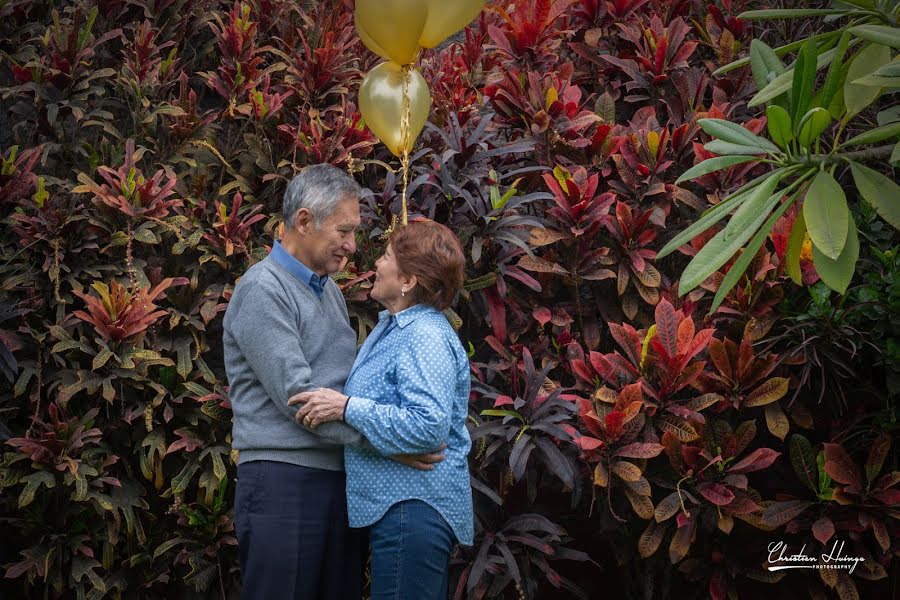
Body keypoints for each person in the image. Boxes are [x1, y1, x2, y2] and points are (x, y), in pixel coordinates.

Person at [223, 165, 443, 600]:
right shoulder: (264, 289)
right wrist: (392, 441)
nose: (352, 246)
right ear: (304, 221)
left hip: (337, 481)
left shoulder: (329, 293)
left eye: (355, 232)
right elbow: (302, 401)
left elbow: (344, 393)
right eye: (344, 231)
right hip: (283, 483)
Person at [291, 219, 474, 600]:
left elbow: (428, 426)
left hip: (414, 508)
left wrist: (345, 408)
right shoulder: (394, 327)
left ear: (408, 281)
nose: (376, 262)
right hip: (399, 509)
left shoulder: (424, 335)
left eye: (387, 256)